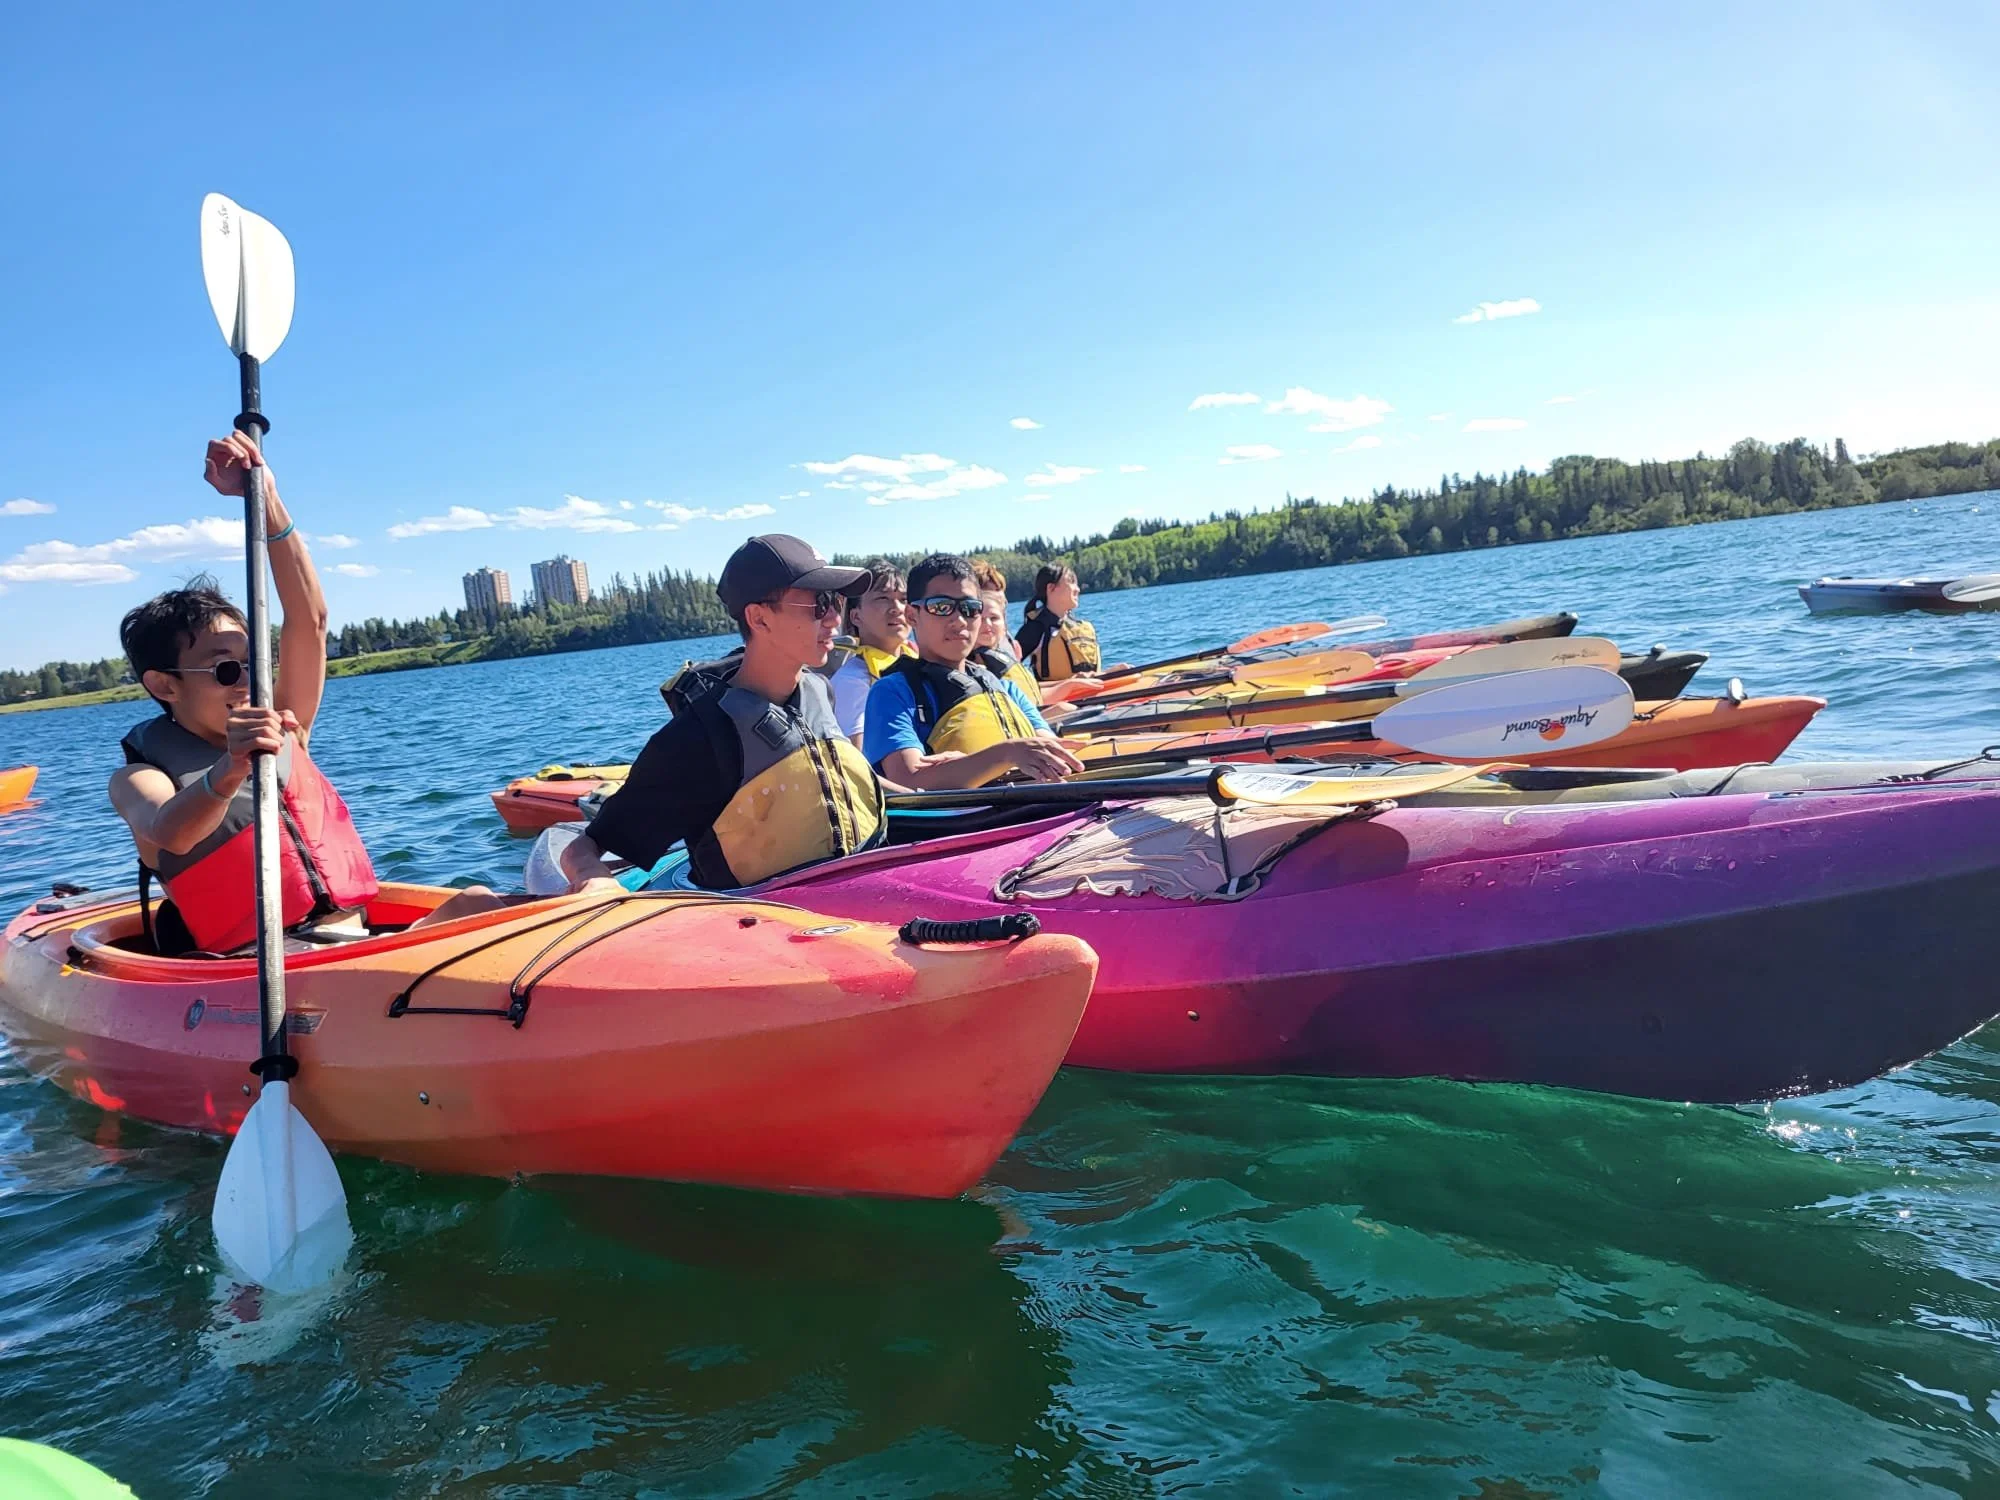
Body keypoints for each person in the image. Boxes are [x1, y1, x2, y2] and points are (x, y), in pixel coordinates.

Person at [109, 436, 498, 955]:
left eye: (255, 662)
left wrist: (266, 497)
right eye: (226, 669)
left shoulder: (286, 726)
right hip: (261, 968)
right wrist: (231, 768)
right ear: (164, 684)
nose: (249, 682)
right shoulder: (138, 779)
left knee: (477, 901)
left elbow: (309, 619)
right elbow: (171, 833)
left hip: (355, 943)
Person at [560, 534, 890, 891]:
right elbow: (584, 849)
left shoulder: (821, 691)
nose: (834, 619)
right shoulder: (699, 738)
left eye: (836, 601)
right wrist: (594, 882)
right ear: (759, 619)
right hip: (768, 915)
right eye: (819, 604)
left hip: (865, 893)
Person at [863, 553, 1085, 791]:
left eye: (970, 608)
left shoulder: (1005, 688)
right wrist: (1006, 754)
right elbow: (908, 780)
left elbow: (1049, 749)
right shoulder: (893, 693)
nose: (959, 621)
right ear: (912, 615)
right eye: (942, 607)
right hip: (970, 813)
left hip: (1039, 804)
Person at [825, 559, 911, 740]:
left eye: (904, 599)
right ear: (856, 616)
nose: (897, 608)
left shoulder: (920, 661)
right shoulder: (852, 681)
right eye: (883, 598)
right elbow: (858, 752)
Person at [1014, 562, 1103, 682]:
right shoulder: (1035, 629)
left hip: (1094, 691)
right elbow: (1007, 671)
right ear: (1051, 588)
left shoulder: (1080, 628)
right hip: (1056, 693)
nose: (1077, 589)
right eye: (1071, 582)